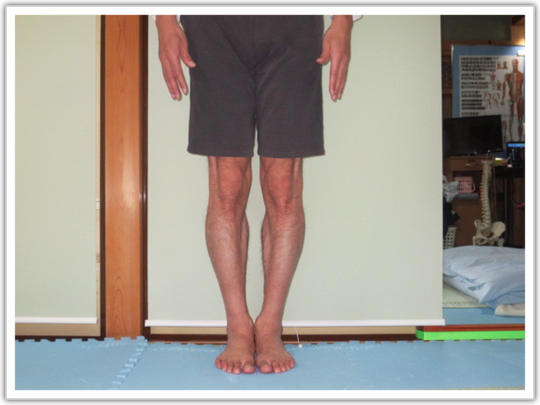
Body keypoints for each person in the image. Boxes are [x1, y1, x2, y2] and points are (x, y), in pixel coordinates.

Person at [155, 14, 358, 375]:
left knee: (284, 188)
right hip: (213, 25)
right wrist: (163, 19)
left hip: (294, 25)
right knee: (226, 187)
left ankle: (269, 326)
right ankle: (237, 326)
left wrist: (343, 19)